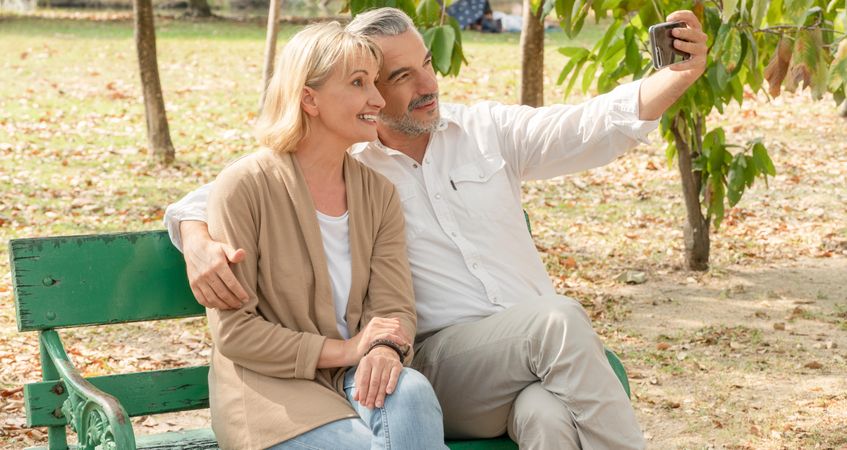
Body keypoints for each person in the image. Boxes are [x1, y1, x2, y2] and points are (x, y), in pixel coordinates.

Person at [165, 8, 708, 449]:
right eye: (400, 77)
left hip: (529, 362)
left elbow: (587, 126)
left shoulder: (484, 131)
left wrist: (674, 76)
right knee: (558, 319)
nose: (428, 84)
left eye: (427, 63)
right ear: (367, 91)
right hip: (444, 360)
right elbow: (233, 188)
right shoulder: (353, 162)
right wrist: (194, 234)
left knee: (546, 419)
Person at [199, 21, 446, 450]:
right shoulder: (245, 186)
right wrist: (349, 350)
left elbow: (394, 306)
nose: (378, 98)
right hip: (269, 393)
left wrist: (384, 348)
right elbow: (235, 333)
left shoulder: (378, 193)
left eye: (374, 82)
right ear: (308, 98)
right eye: (358, 83)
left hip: (352, 379)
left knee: (412, 393)